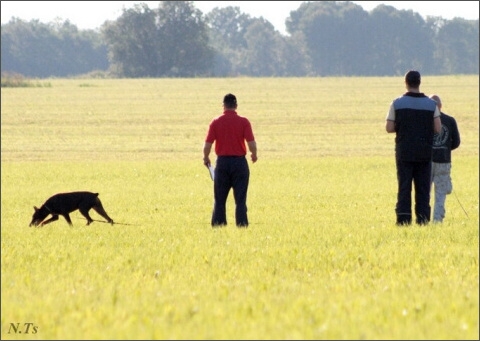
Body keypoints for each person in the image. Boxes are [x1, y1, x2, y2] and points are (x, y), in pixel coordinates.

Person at [385, 70, 442, 226]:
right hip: (424, 152)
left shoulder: (397, 103)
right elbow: (437, 128)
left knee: (404, 187)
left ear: (406, 82)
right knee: (423, 188)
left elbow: (389, 128)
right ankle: (423, 220)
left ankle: (403, 220)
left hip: (404, 152)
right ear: (419, 82)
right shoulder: (432, 105)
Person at [203, 93, 258, 227]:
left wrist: (206, 157)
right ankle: (242, 225)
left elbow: (207, 145)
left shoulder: (216, 122)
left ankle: (219, 225)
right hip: (240, 163)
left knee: (220, 199)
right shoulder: (244, 122)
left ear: (223, 106)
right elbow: (251, 143)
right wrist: (254, 154)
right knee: (240, 199)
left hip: (222, 164)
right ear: (236, 106)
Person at [429, 94, 461, 223]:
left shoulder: (425, 120)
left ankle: (423, 220)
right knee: (440, 195)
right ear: (440, 106)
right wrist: (446, 148)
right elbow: (456, 142)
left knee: (424, 193)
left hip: (427, 162)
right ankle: (437, 221)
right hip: (444, 162)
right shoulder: (450, 120)